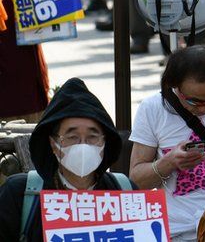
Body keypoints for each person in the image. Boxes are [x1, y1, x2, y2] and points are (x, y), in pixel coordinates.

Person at [128, 46, 205, 242]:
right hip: (175, 230)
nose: (204, 108)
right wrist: (168, 162)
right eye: (194, 102)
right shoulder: (152, 108)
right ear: (174, 86)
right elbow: (136, 181)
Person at [0, 78, 134, 242]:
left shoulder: (126, 193)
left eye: (93, 137)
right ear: (54, 144)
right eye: (72, 137)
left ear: (105, 142)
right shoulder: (18, 195)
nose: (83, 145)